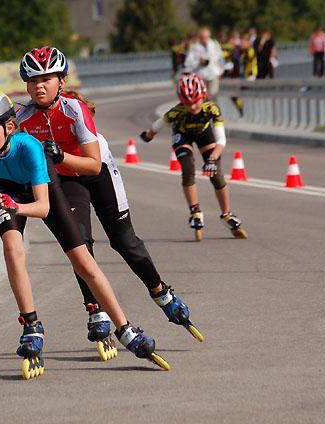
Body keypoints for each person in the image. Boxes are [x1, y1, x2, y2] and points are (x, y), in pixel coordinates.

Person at [0, 90, 170, 378]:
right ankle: (31, 326)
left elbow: (43, 207)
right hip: (9, 189)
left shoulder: (29, 148)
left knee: (83, 262)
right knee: (12, 248)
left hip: (42, 193)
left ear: (9, 127)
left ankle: (125, 328)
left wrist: (16, 207)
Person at [16, 46, 203, 347]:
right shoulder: (23, 118)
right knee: (80, 243)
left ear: (61, 82)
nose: (39, 86)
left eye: (47, 79)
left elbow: (91, 163)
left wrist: (60, 155)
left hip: (96, 170)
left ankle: (160, 291)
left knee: (124, 241)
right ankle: (94, 308)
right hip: (66, 179)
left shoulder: (74, 110)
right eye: (33, 80)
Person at [140, 73, 247, 241]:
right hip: (183, 135)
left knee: (216, 174)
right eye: (188, 103)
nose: (193, 107)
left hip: (204, 134)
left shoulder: (211, 108)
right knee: (188, 168)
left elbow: (221, 141)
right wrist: (148, 135)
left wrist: (211, 160)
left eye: (196, 101)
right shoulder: (177, 111)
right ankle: (195, 210)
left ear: (203, 96)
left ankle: (226, 213)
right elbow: (158, 124)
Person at [184, 27, 224, 99]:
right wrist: (199, 62)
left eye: (206, 37)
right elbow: (187, 63)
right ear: (199, 37)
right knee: (202, 97)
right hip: (200, 76)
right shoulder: (194, 47)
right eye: (203, 37)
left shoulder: (214, 44)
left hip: (213, 74)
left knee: (212, 95)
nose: (205, 39)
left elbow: (220, 59)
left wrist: (220, 71)